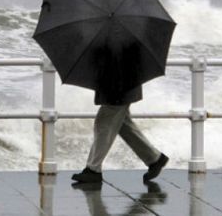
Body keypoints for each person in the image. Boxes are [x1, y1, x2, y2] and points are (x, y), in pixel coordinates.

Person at [71, 38, 168, 184]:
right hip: (121, 85)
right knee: (123, 125)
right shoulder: (124, 33)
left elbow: (114, 59)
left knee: (103, 124)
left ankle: (93, 170)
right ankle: (154, 159)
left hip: (119, 87)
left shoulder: (116, 36)